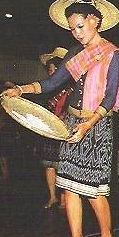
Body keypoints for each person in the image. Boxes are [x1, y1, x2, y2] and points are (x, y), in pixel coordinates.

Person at [2, 0, 119, 237]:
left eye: (80, 26)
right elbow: (51, 83)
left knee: (94, 189)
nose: (77, 33)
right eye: (72, 29)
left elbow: (109, 98)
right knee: (69, 186)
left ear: (96, 20)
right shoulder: (74, 54)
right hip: (71, 123)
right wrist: (21, 89)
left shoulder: (113, 54)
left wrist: (88, 125)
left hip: (96, 125)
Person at [38, 47, 72, 209]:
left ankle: (64, 199)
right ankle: (53, 197)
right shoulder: (50, 90)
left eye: (53, 70)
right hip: (50, 132)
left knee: (62, 166)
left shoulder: (71, 89)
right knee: (48, 165)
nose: (50, 73)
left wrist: (62, 118)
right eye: (49, 70)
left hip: (65, 132)